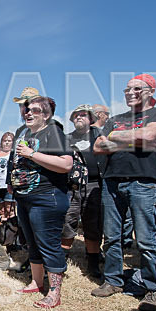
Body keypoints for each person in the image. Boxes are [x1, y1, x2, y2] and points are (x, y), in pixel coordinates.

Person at [91, 74, 156, 311]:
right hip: (112, 182)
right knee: (112, 236)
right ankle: (113, 281)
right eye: (127, 89)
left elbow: (149, 135)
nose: (130, 93)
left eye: (137, 89)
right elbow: (98, 146)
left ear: (151, 91)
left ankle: (152, 288)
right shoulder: (115, 119)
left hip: (144, 182)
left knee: (147, 239)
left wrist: (115, 138)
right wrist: (133, 139)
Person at [8, 88, 73, 309]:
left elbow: (66, 164)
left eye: (35, 110)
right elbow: (14, 159)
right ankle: (36, 282)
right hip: (24, 197)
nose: (28, 112)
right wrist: (11, 181)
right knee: (32, 243)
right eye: (27, 109)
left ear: (46, 115)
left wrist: (32, 154)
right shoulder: (22, 132)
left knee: (49, 244)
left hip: (47, 197)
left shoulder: (53, 132)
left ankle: (54, 292)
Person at [61, 105, 105, 278]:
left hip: (94, 185)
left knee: (93, 225)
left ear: (91, 119)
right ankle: (61, 261)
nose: (79, 117)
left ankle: (93, 263)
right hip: (72, 187)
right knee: (67, 222)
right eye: (76, 115)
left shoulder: (99, 135)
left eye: (83, 115)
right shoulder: (66, 138)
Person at [0, 132, 14, 220]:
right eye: (5, 141)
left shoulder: (13, 153)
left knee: (9, 209)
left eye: (9, 141)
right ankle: (2, 227)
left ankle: (12, 227)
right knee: (0, 210)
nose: (7, 143)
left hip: (8, 185)